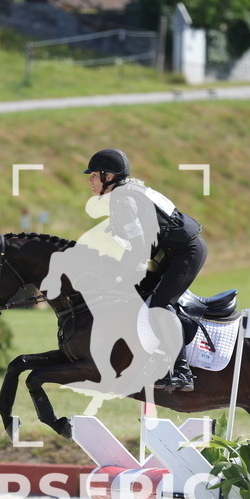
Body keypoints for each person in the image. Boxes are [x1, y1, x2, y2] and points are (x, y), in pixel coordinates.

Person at [81, 148, 207, 392]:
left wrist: (119, 276)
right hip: (171, 251)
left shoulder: (121, 198)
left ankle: (182, 372)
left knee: (160, 303)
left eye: (94, 175)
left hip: (185, 252)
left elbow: (139, 249)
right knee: (139, 294)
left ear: (109, 177)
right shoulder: (126, 192)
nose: (90, 180)